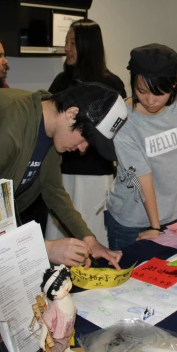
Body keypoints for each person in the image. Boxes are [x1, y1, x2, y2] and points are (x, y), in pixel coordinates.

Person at [0, 82, 127, 330]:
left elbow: (54, 191)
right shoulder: (6, 124)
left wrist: (88, 238)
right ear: (72, 113)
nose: (83, 149)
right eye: (86, 139)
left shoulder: (51, 130)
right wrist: (44, 249)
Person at [104, 43, 177, 251]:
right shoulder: (122, 119)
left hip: (173, 214)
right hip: (132, 219)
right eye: (142, 91)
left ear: (174, 83)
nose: (150, 100)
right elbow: (143, 176)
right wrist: (154, 226)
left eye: (159, 93)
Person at [46, 19, 126, 247]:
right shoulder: (61, 82)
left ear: (88, 46)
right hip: (61, 173)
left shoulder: (111, 84)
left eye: (73, 42)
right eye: (66, 42)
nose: (67, 48)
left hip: (95, 175)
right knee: (59, 232)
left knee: (93, 233)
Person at [38, 265, 76, 352]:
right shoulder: (54, 308)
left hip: (69, 327)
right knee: (58, 346)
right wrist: (42, 339)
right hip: (59, 332)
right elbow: (46, 323)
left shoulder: (68, 296)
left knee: (67, 340)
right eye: (63, 286)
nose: (67, 285)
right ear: (53, 292)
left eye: (68, 280)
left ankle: (67, 350)